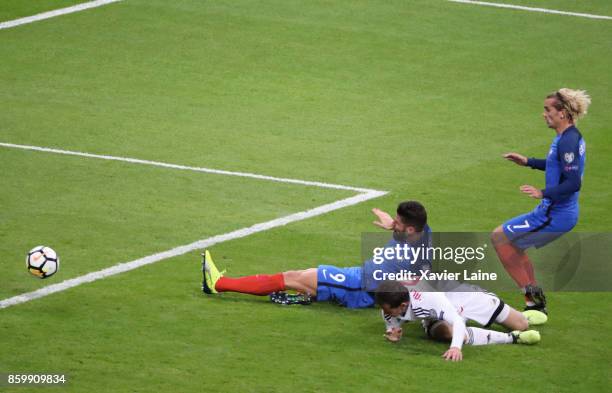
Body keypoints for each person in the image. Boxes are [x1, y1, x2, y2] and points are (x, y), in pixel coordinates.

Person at [202, 201, 432, 308]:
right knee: (302, 276)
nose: (394, 223)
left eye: (398, 222)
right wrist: (393, 226)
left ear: (411, 229)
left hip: (358, 287)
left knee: (291, 277)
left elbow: (416, 283)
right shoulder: (422, 232)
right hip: (358, 273)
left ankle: (218, 284)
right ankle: (311, 294)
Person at [491, 88, 591, 314]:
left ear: (563, 113)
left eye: (548, 109)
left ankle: (533, 302)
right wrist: (528, 162)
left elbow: (574, 182)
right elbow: (557, 165)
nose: (543, 114)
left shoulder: (567, 142)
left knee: (500, 238)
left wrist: (543, 192)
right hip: (550, 211)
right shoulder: (568, 137)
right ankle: (534, 299)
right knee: (511, 243)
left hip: (555, 215)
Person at [375, 280, 547, 362]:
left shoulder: (429, 300)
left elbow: (457, 320)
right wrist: (393, 330)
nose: (385, 313)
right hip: (436, 311)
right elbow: (390, 317)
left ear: (403, 304)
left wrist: (455, 348)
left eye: (388, 310)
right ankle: (513, 338)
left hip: (463, 297)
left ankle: (525, 317)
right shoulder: (394, 296)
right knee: (448, 333)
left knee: (522, 325)